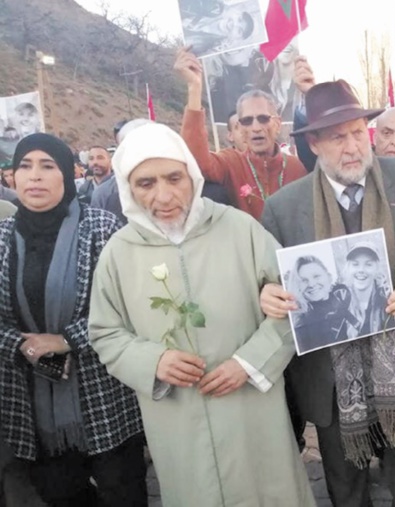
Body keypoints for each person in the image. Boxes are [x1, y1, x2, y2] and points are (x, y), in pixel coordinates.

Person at [260, 79, 395, 507]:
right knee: (347, 487)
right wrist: (268, 295)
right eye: (338, 137)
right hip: (333, 377)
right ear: (314, 143)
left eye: (358, 132)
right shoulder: (283, 207)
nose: (353, 146)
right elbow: (267, 280)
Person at [87, 123, 314, 507]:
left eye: (174, 178)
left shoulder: (240, 229)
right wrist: (154, 361)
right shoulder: (118, 253)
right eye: (146, 183)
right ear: (127, 187)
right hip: (177, 414)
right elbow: (106, 333)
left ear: (191, 175)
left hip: (251, 409)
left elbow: (295, 302)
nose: (164, 195)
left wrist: (248, 362)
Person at [0, 133, 146, 506]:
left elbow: (128, 303)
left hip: (104, 395)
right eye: (25, 167)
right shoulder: (1, 236)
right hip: (31, 403)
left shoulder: (102, 228)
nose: (34, 176)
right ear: (12, 177)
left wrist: (67, 339)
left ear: (66, 174)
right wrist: (23, 345)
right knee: (60, 495)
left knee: (122, 491)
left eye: (47, 166)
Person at [175, 47, 307, 220]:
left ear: (277, 123)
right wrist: (194, 87)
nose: (256, 127)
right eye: (247, 121)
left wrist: (308, 91)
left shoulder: (297, 168)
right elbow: (195, 161)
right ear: (239, 128)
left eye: (263, 118)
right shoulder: (231, 163)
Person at [291, 255, 355, 353]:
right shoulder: (300, 322)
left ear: (329, 277)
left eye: (316, 276)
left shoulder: (344, 298)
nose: (311, 284)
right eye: (304, 280)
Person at [342, 242, 390, 338]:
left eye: (368, 264)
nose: (361, 270)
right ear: (348, 268)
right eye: (355, 264)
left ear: (377, 268)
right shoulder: (339, 301)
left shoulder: (387, 298)